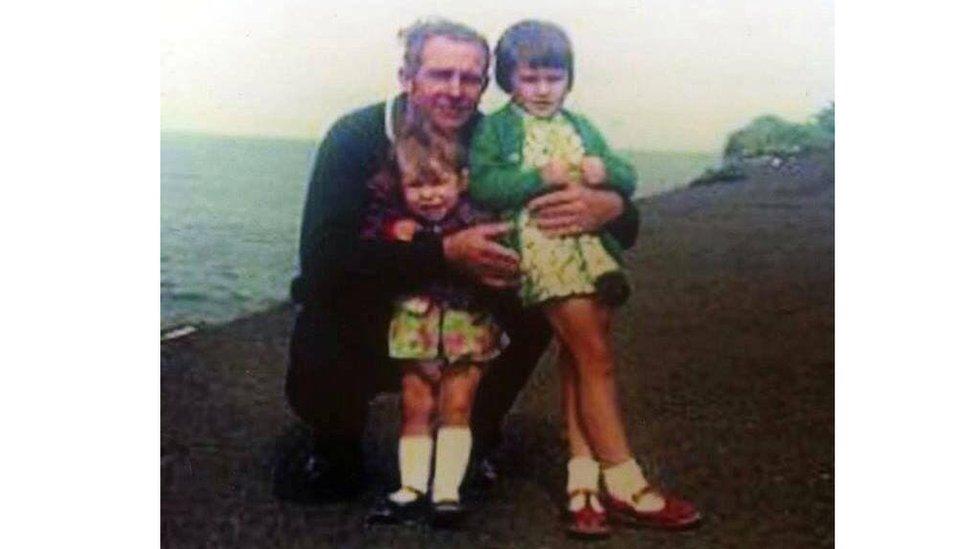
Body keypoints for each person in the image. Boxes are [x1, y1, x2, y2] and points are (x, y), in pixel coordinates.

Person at [283, 18, 640, 503]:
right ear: (408, 76)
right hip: (371, 306)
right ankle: (335, 441)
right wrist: (444, 254)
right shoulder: (356, 136)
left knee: (539, 303)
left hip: (465, 311)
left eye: (470, 78)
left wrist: (614, 207)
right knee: (319, 339)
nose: (455, 91)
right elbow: (323, 260)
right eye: (439, 75)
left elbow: (620, 221)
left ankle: (475, 434)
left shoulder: (496, 138)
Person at [468, 20, 701, 537]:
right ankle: (625, 481)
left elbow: (625, 172)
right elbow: (483, 182)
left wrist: (605, 175)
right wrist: (537, 178)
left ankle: (582, 485)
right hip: (542, 247)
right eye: (530, 79)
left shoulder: (581, 125)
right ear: (509, 80)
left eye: (554, 77)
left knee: (579, 359)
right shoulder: (497, 128)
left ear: (568, 80)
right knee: (596, 358)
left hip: (589, 248)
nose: (544, 89)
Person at [361, 123, 506, 525]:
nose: (427, 195)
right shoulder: (396, 222)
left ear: (461, 181)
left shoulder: (477, 219)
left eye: (438, 183)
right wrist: (394, 229)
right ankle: (411, 488)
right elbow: (371, 236)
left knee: (457, 405)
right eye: (415, 186)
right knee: (416, 404)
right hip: (416, 320)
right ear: (400, 189)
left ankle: (446, 491)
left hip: (466, 323)